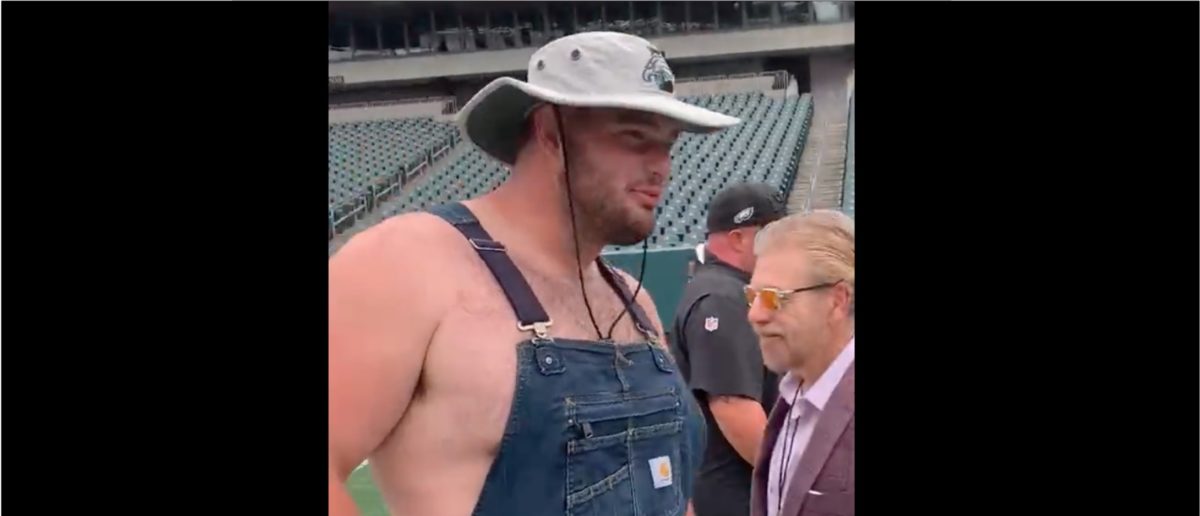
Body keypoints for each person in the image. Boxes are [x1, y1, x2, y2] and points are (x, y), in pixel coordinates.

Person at [329, 31, 740, 516]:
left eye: (667, 145)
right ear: (549, 132)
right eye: (635, 137)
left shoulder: (633, 301)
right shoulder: (409, 262)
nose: (661, 167)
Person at [668, 183, 788, 516]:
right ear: (737, 238)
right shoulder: (722, 297)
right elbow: (733, 406)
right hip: (735, 496)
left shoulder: (729, 289)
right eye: (770, 233)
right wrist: (788, 476)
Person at [746, 210, 855, 516]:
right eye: (752, 296)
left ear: (838, 300)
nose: (755, 315)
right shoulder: (792, 395)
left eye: (774, 297)